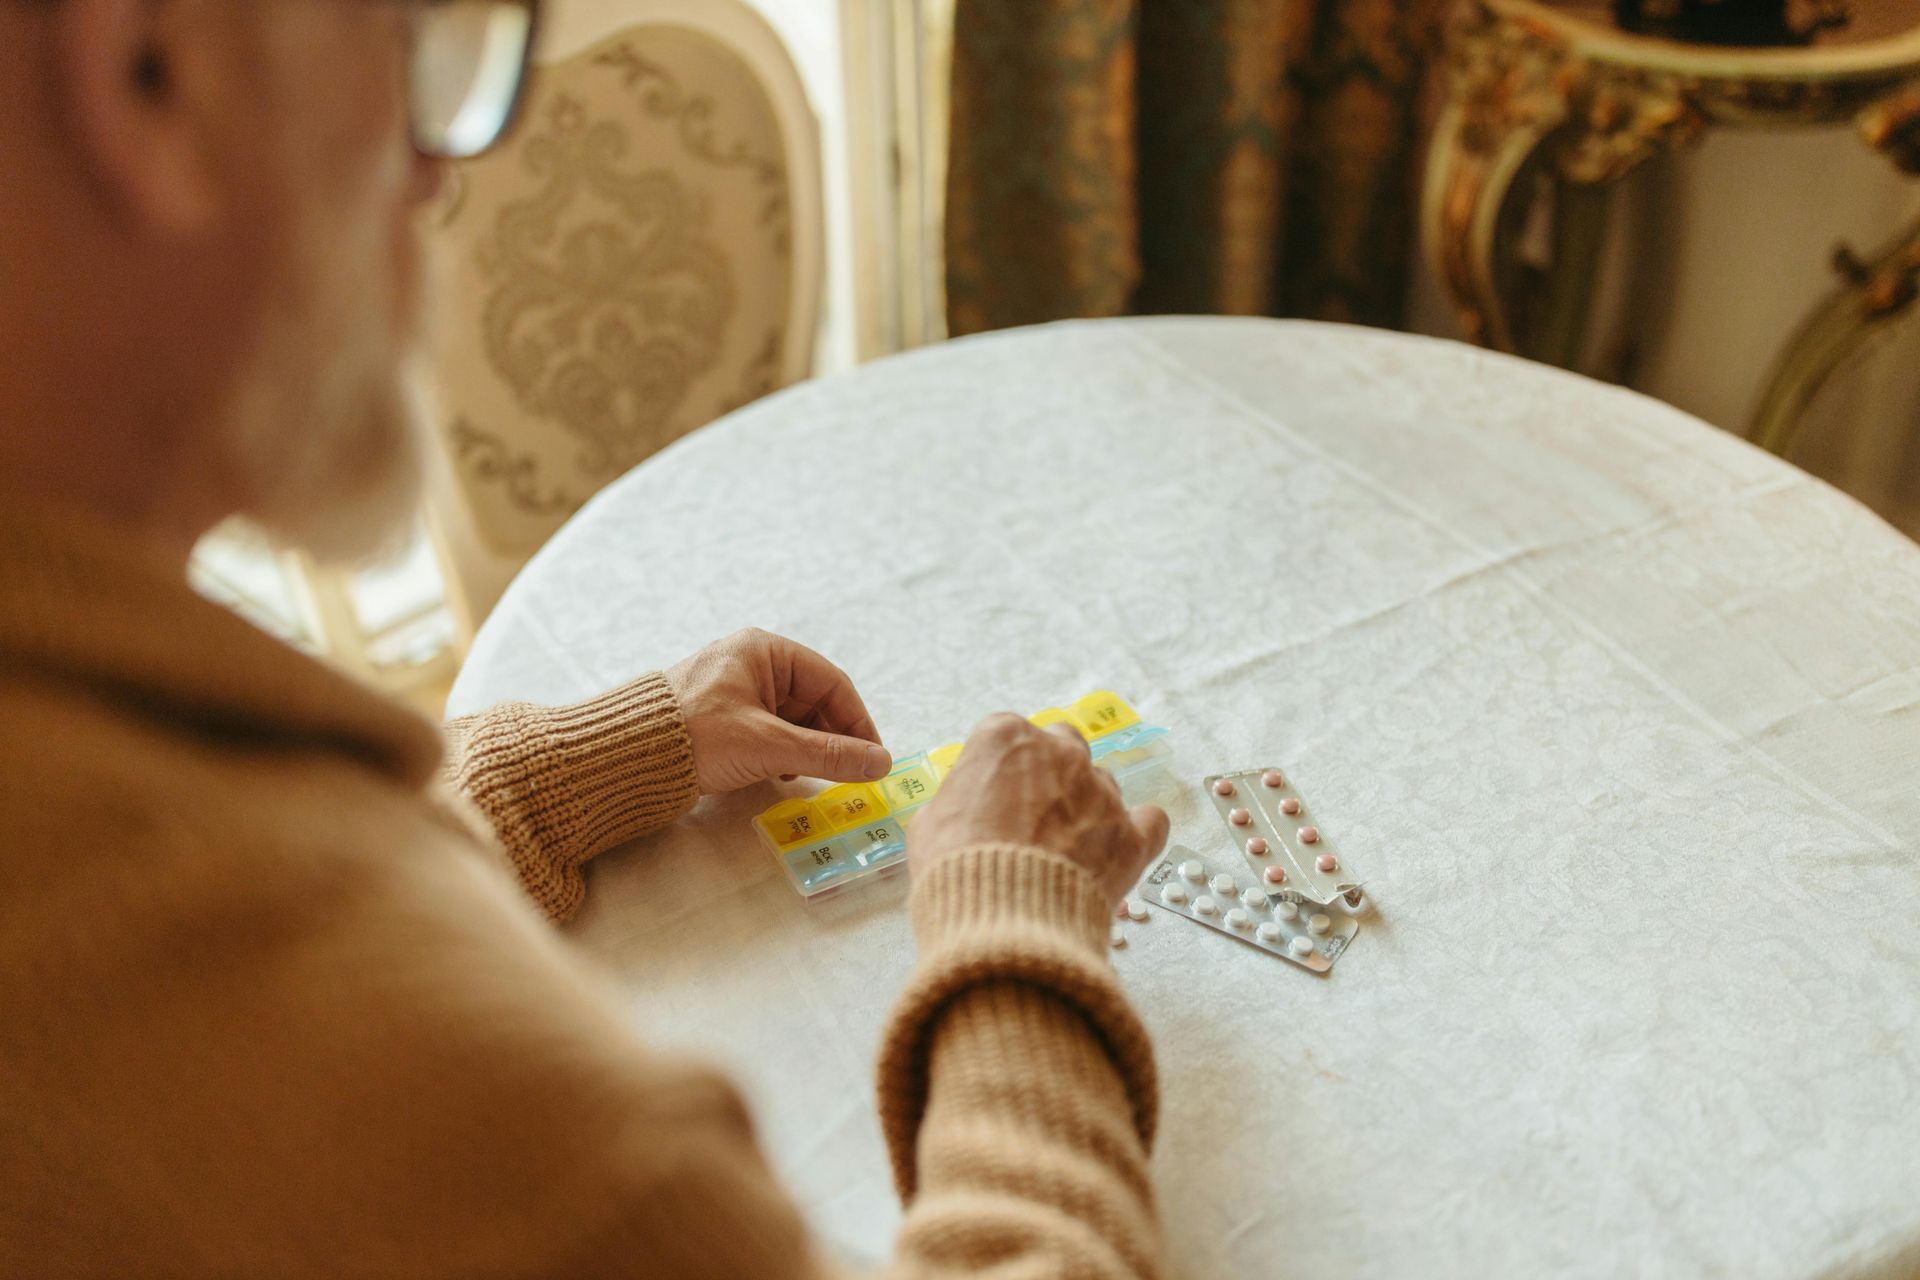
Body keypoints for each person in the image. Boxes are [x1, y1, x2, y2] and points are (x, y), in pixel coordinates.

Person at [0, 3, 1172, 1275]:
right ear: (145, 71)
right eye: (403, 44)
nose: (438, 172)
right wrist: (1020, 932)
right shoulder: (522, 1140)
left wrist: (581, 766)